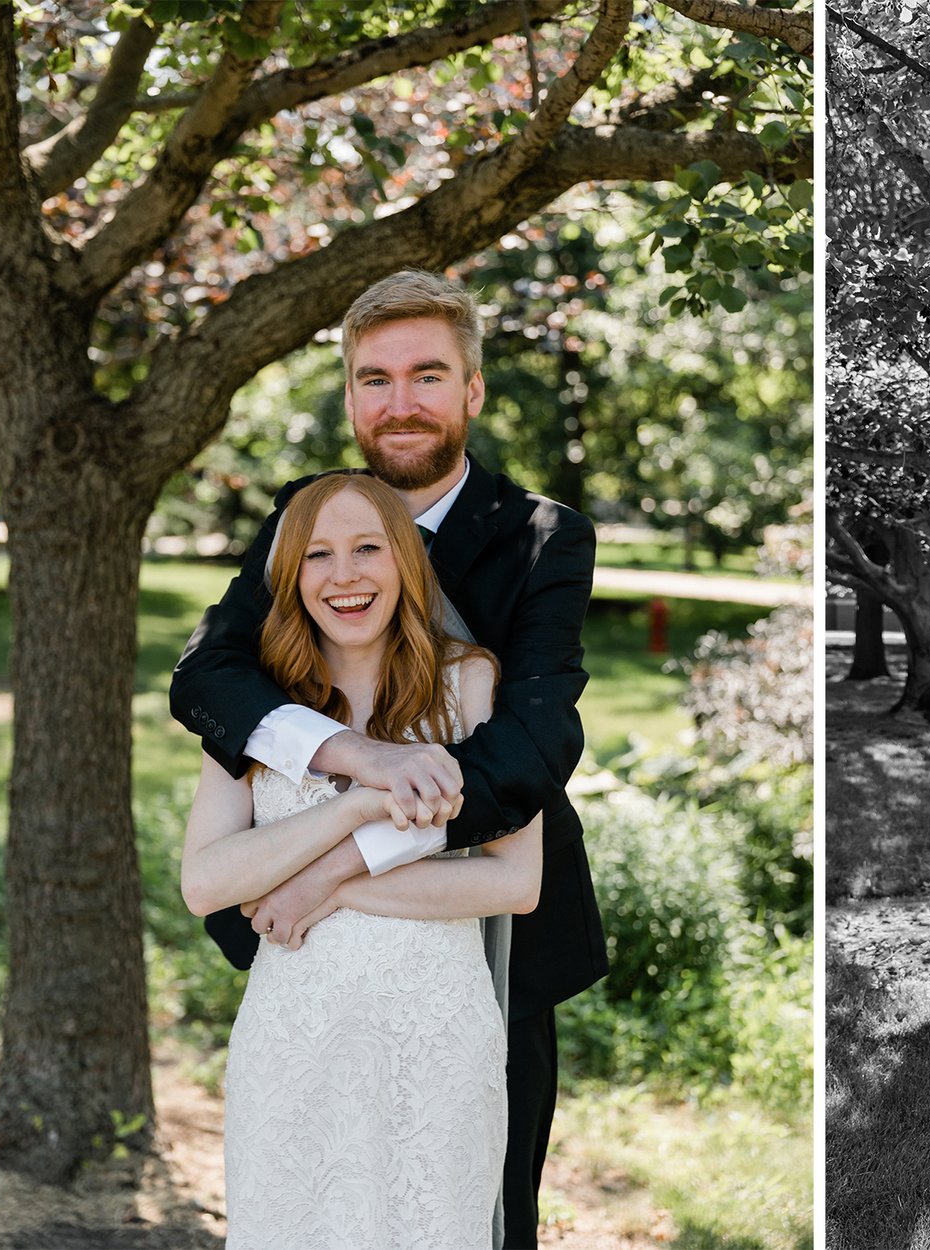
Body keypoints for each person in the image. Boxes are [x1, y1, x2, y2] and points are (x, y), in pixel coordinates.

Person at [170, 269, 608, 1246]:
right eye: (374, 378)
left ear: (472, 390)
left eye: (426, 374)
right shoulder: (304, 515)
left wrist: (333, 866)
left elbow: (530, 746)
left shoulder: (541, 537)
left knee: (476, 1215)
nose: (399, 402)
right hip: (301, 964)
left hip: (478, 951)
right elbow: (209, 676)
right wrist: (344, 755)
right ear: (351, 393)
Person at [183, 473, 541, 1246]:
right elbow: (205, 882)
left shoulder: (467, 683)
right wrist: (354, 803)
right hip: (294, 1036)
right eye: (317, 555)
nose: (344, 575)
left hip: (435, 1035)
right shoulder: (257, 706)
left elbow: (517, 881)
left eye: (367, 548)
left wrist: (326, 882)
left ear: (405, 560)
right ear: (291, 576)